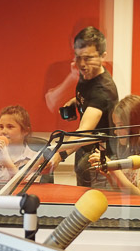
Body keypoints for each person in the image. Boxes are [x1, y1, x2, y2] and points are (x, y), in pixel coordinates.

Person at [48, 26, 119, 187]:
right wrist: (75, 101)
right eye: (78, 57)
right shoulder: (88, 73)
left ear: (103, 56)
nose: (81, 64)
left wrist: (60, 154)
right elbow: (91, 96)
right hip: (84, 153)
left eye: (88, 58)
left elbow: (84, 132)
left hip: (99, 161)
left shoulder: (103, 90)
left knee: (94, 201)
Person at [88, 95, 140, 197]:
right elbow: (123, 193)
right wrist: (109, 174)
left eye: (121, 126)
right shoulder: (132, 151)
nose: (116, 131)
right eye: (115, 125)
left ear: (137, 125)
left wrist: (113, 168)